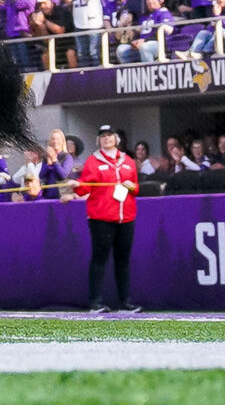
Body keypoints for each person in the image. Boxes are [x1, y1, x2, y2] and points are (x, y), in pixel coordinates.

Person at [76, 122, 139, 313]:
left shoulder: (128, 161)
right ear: (99, 141)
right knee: (100, 258)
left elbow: (136, 188)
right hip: (101, 217)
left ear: (116, 139)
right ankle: (95, 301)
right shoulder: (92, 162)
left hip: (126, 216)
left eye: (110, 136)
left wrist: (130, 186)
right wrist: (75, 185)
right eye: (103, 136)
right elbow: (84, 188)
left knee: (123, 259)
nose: (107, 139)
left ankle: (125, 301)